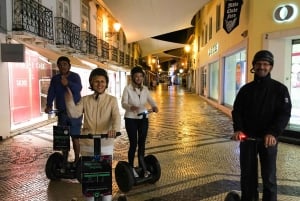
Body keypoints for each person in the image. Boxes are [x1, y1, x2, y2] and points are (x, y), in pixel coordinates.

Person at [231, 50, 292, 201]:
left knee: (269, 177)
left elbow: (284, 114)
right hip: (248, 139)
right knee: (247, 176)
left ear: (271, 67)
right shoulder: (246, 90)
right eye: (258, 64)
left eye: (265, 64)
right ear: (253, 66)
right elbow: (237, 111)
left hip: (268, 140)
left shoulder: (280, 89)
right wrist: (238, 129)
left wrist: (273, 133)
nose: (262, 67)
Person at [65, 68, 121, 201]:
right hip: (88, 143)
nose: (99, 84)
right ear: (91, 82)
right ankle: (89, 197)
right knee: (89, 174)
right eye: (96, 81)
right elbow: (74, 113)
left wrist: (114, 129)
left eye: (102, 81)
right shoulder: (85, 100)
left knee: (104, 172)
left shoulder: (111, 100)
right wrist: (68, 98)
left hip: (105, 142)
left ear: (106, 83)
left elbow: (116, 117)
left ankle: (107, 197)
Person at [121, 66, 158, 178]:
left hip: (143, 118)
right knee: (133, 143)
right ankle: (131, 167)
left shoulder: (145, 89)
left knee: (142, 143)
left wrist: (155, 106)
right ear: (132, 77)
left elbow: (150, 100)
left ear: (142, 77)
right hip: (130, 119)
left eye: (140, 76)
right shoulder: (127, 89)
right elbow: (123, 103)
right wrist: (130, 107)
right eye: (136, 76)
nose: (138, 78)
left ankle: (143, 167)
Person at [45, 56, 83, 164]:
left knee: (75, 136)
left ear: (69, 66)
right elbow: (51, 92)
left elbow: (78, 88)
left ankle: (76, 160)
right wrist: (48, 105)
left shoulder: (75, 76)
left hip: (75, 113)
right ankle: (64, 159)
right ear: (58, 66)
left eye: (65, 64)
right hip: (62, 113)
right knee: (63, 138)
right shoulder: (55, 79)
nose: (63, 66)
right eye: (60, 65)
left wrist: (68, 84)